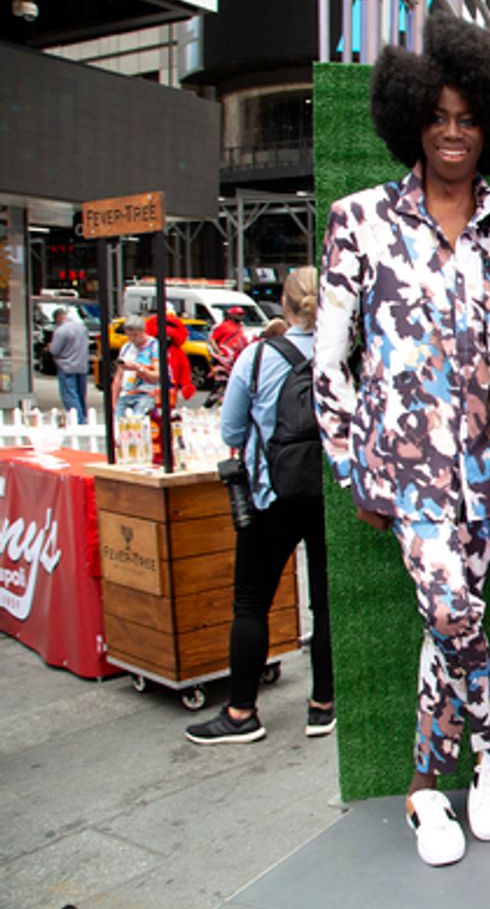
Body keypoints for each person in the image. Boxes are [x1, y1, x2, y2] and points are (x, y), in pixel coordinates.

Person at [313, 12, 490, 868]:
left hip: (487, 472)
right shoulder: (359, 219)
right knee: (449, 609)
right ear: (412, 118)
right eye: (439, 115)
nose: (453, 132)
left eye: (470, 117)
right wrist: (352, 470)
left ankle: (424, 789)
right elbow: (330, 363)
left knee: (446, 630)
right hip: (400, 469)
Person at [185, 267, 335, 746]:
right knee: (326, 602)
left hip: (271, 495)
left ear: (284, 307)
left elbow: (230, 433)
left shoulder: (255, 358)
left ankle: (241, 711)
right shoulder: (344, 354)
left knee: (251, 602)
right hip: (330, 492)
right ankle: (323, 705)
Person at [48, 307, 91, 422]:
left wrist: (49, 347)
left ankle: (78, 419)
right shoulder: (83, 328)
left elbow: (54, 350)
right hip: (81, 365)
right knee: (81, 393)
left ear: (57, 319)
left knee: (70, 394)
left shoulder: (60, 331)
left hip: (66, 366)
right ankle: (84, 416)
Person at [112, 317, 159, 416]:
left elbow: (158, 375)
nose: (132, 338)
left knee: (138, 421)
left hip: (145, 393)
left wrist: (138, 368)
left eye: (135, 335)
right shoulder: (126, 347)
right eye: (129, 335)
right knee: (118, 423)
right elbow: (118, 376)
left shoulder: (154, 346)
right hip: (126, 393)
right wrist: (114, 401)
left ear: (143, 332)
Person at [207, 305, 249, 407]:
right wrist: (218, 352)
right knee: (221, 383)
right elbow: (212, 339)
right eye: (238, 315)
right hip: (224, 360)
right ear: (231, 315)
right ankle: (208, 404)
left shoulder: (240, 327)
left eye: (242, 314)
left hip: (235, 360)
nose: (240, 317)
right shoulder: (224, 326)